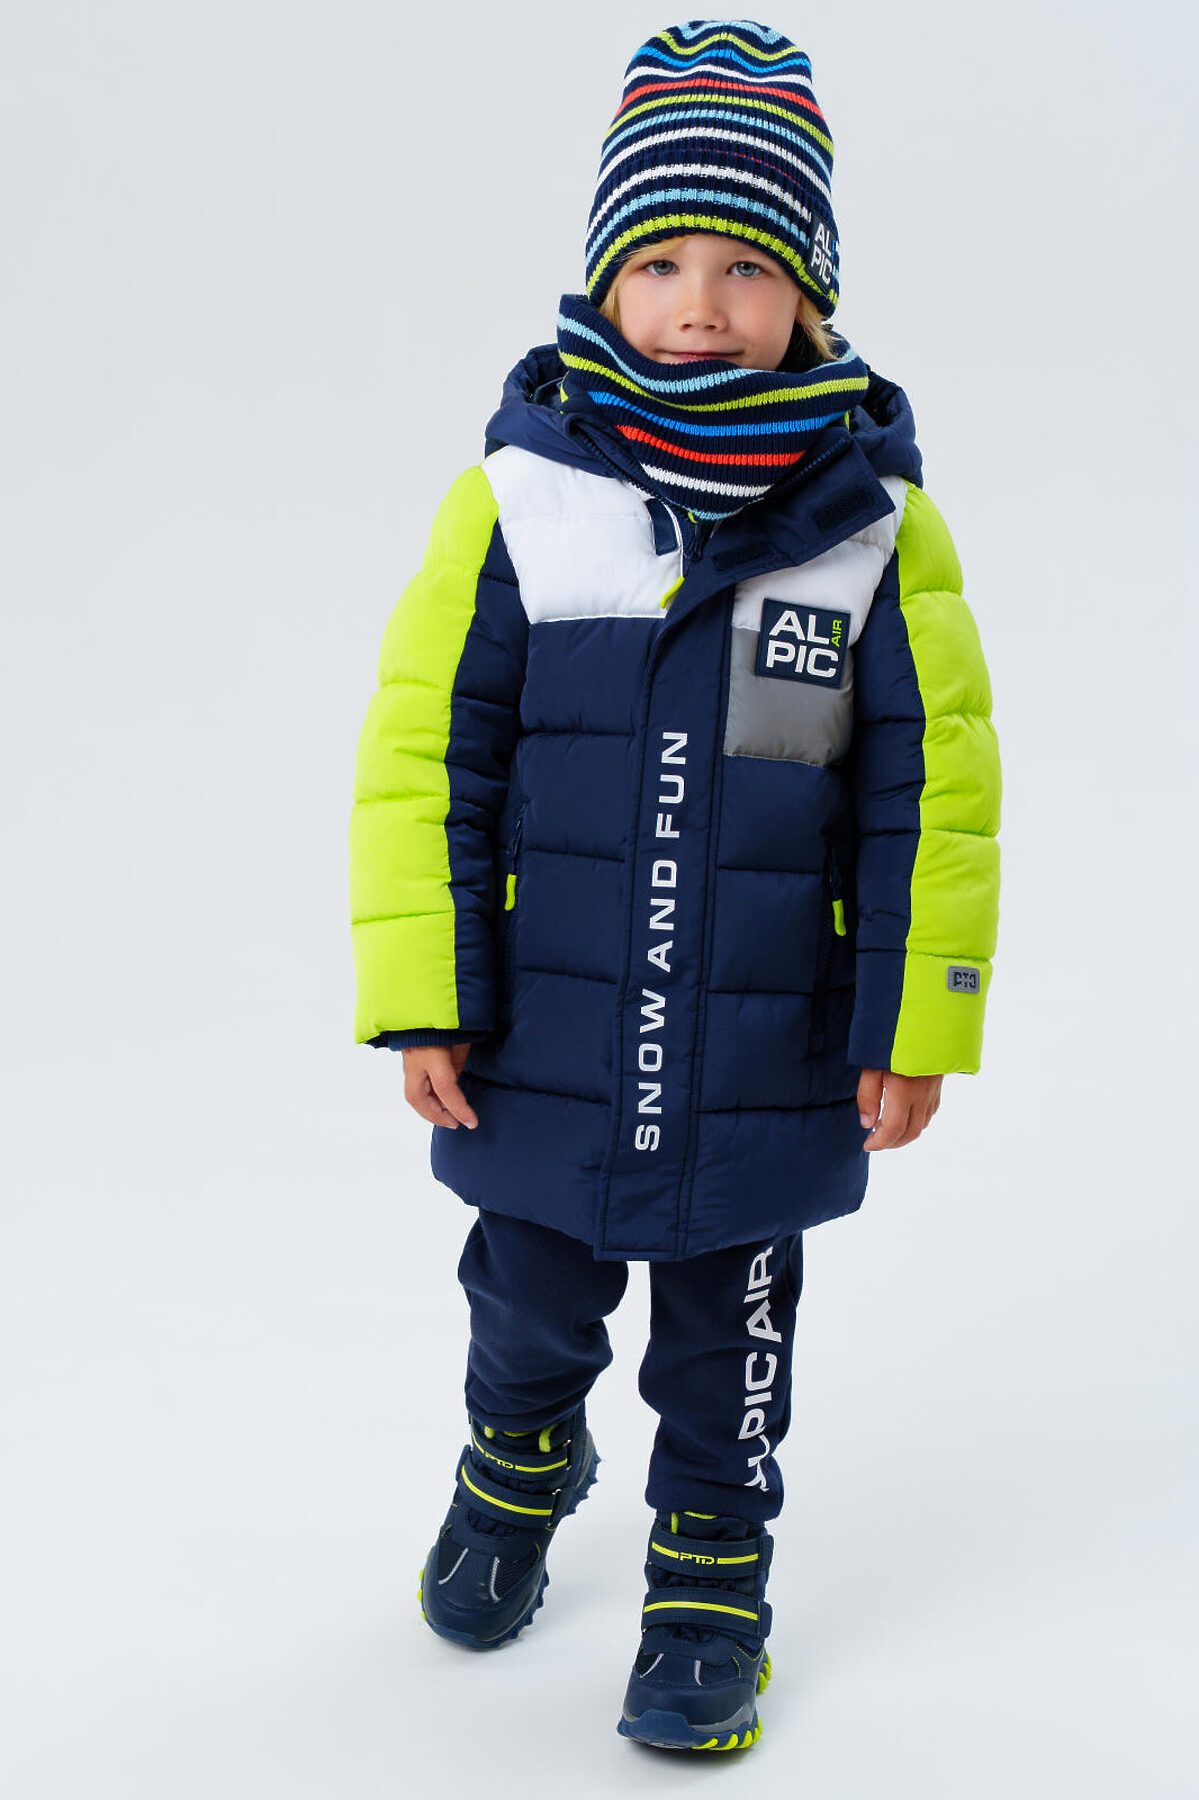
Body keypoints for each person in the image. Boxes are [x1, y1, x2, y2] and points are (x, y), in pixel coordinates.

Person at [348, 17, 1001, 1754]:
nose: (698, 307)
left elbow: (933, 798)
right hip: (544, 1035)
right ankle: (517, 1463)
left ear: (811, 294)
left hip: (766, 1047)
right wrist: (424, 993)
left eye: (746, 268)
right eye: (658, 264)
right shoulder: (522, 500)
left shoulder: (870, 529)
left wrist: (916, 1016)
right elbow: (425, 755)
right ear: (603, 279)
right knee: (524, 1295)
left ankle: (711, 1571)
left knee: (735, 1332)